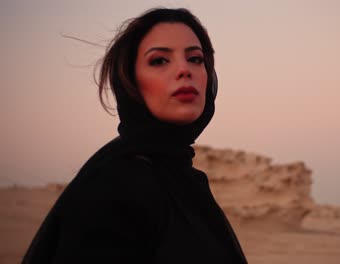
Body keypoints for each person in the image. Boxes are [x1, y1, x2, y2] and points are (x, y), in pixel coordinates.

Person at [22, 8, 247, 263]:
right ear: (131, 81)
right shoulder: (114, 188)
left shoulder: (182, 178)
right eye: (159, 60)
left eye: (195, 59)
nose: (185, 70)